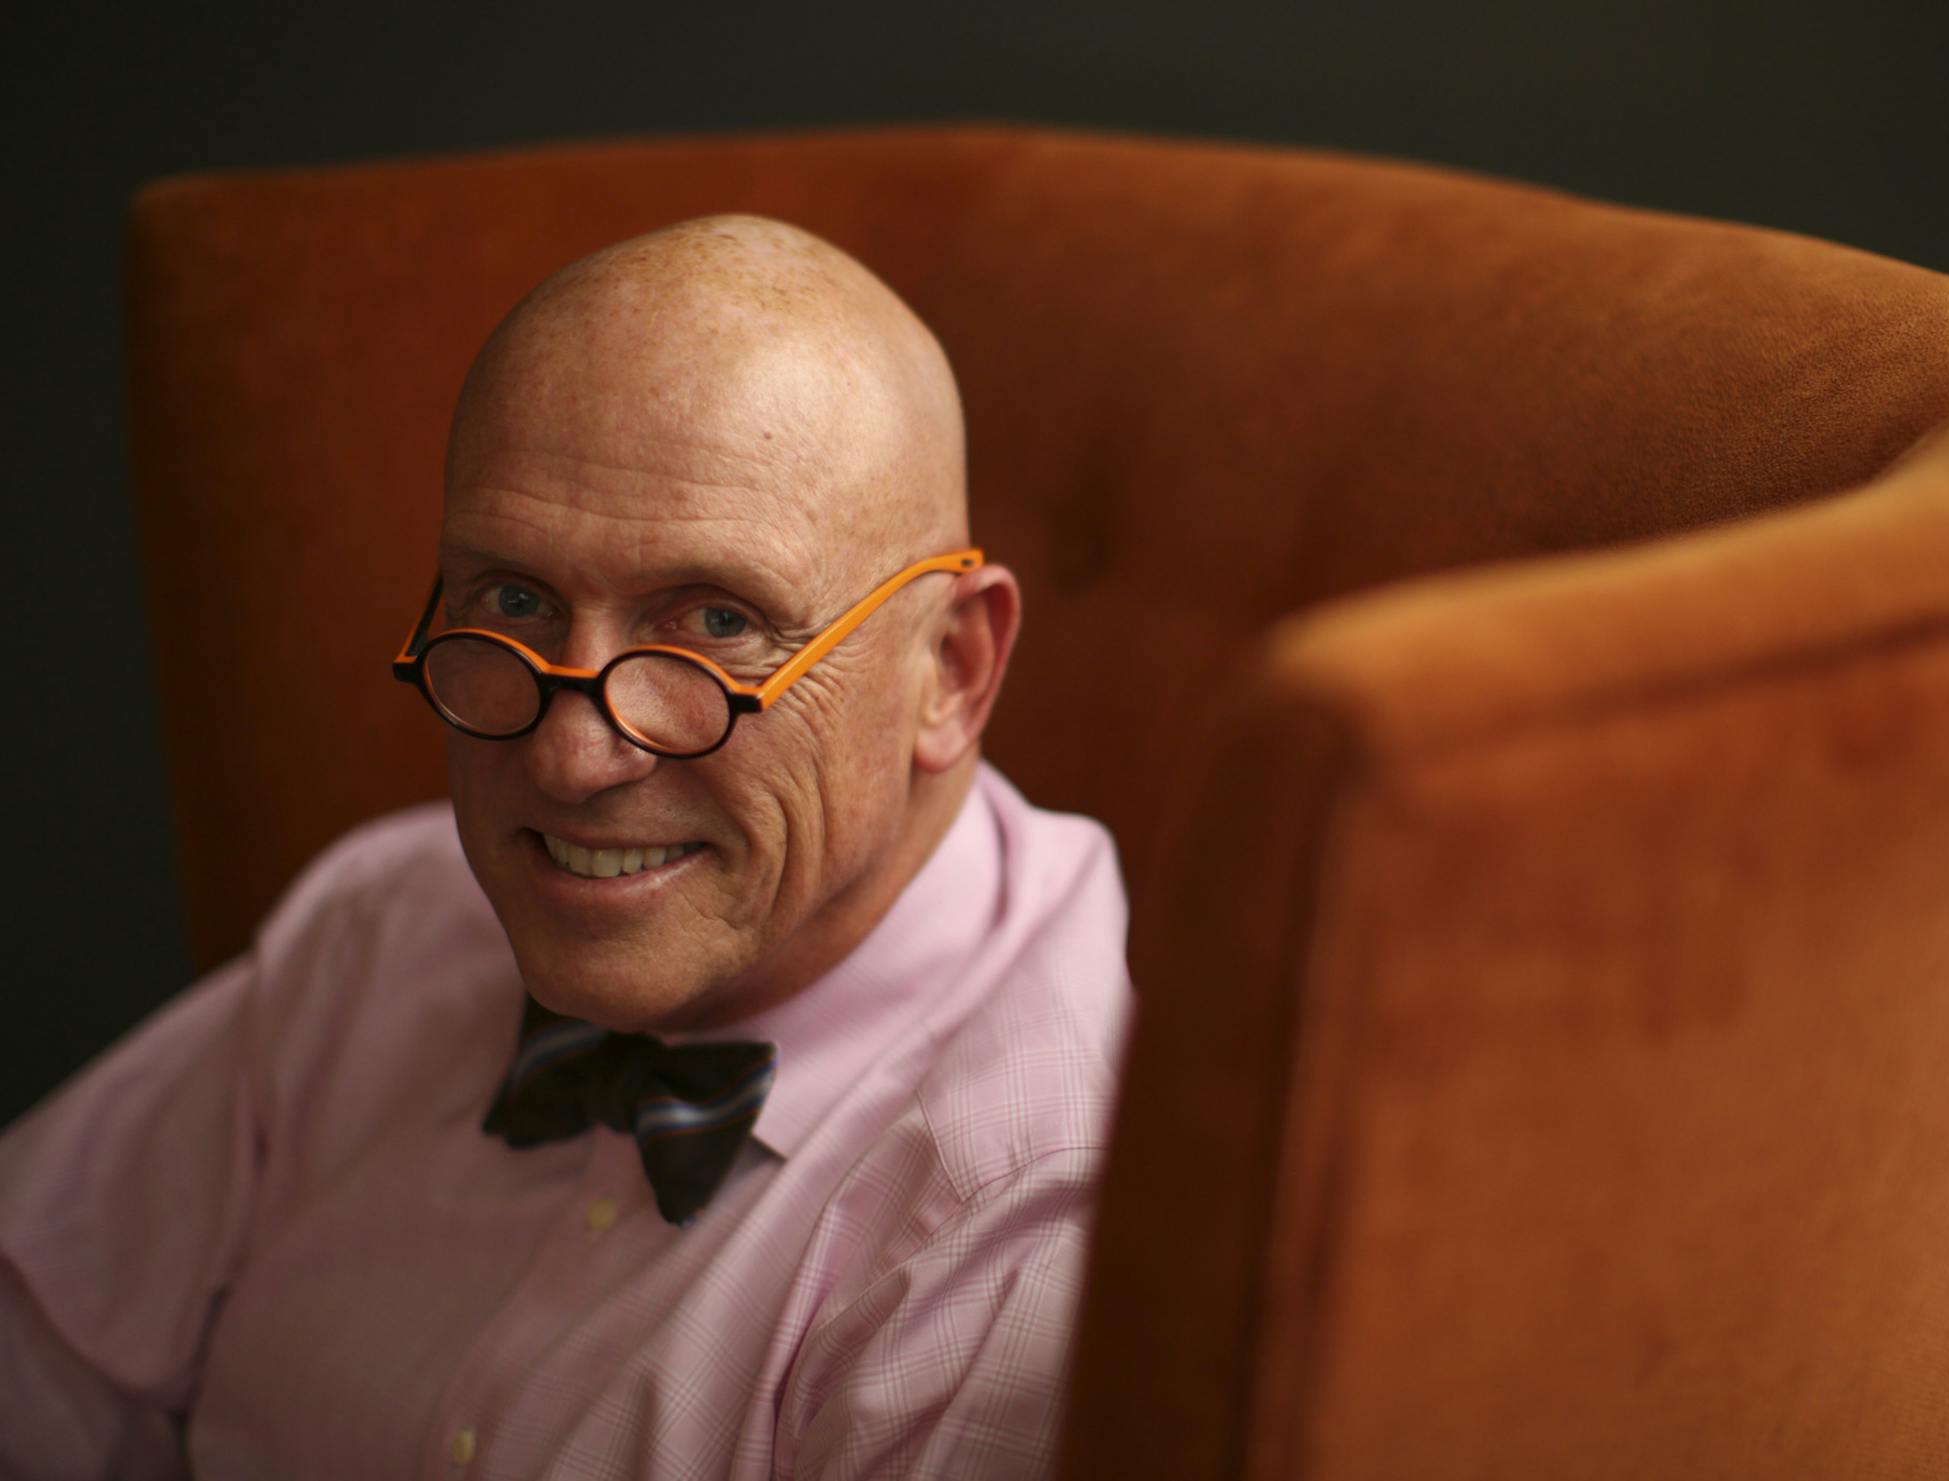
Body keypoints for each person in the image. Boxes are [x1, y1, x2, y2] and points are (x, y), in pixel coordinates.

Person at [0, 216, 1133, 1479]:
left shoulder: (1044, 1233)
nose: (570, 759)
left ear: (952, 667)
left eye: (715, 622)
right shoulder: (389, 919)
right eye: (514, 600)